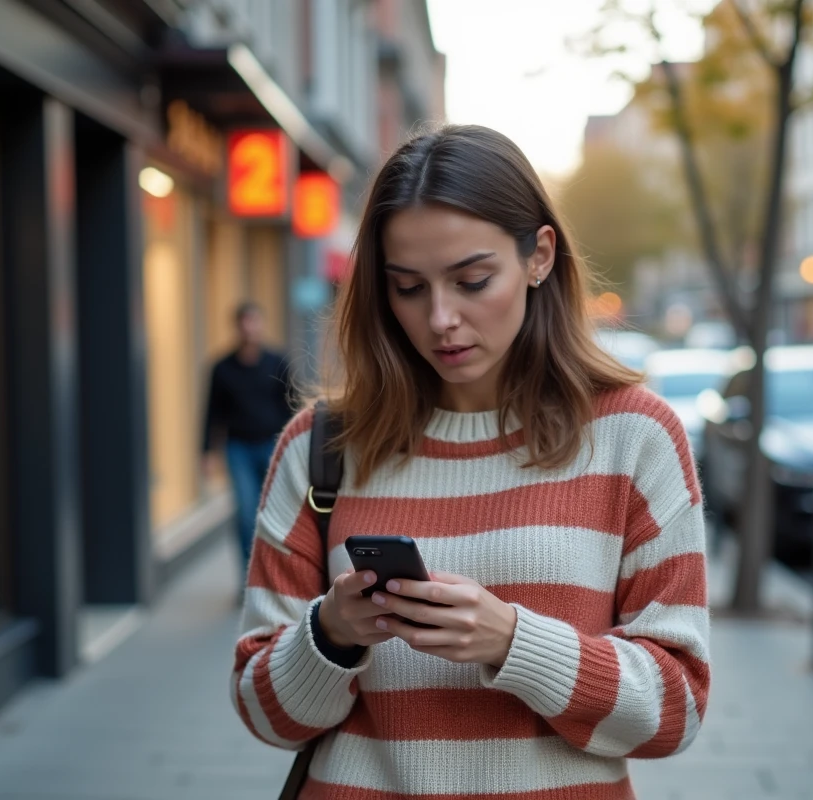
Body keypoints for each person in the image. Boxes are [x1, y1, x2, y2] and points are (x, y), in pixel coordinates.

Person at [230, 125, 710, 798]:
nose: (441, 318)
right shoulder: (323, 443)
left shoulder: (634, 435)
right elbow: (262, 712)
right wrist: (332, 633)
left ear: (539, 256)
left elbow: (676, 710)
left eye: (472, 279)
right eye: (408, 287)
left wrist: (513, 642)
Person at [203, 302, 294, 578]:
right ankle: (249, 578)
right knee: (245, 514)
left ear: (261, 325)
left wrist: (294, 448)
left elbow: (292, 407)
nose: (249, 328)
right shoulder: (222, 368)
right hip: (238, 448)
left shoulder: (277, 362)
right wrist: (207, 451)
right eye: (244, 323)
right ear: (237, 327)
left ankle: (274, 576)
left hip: (272, 445)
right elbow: (211, 412)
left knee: (274, 511)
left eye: (254, 322)